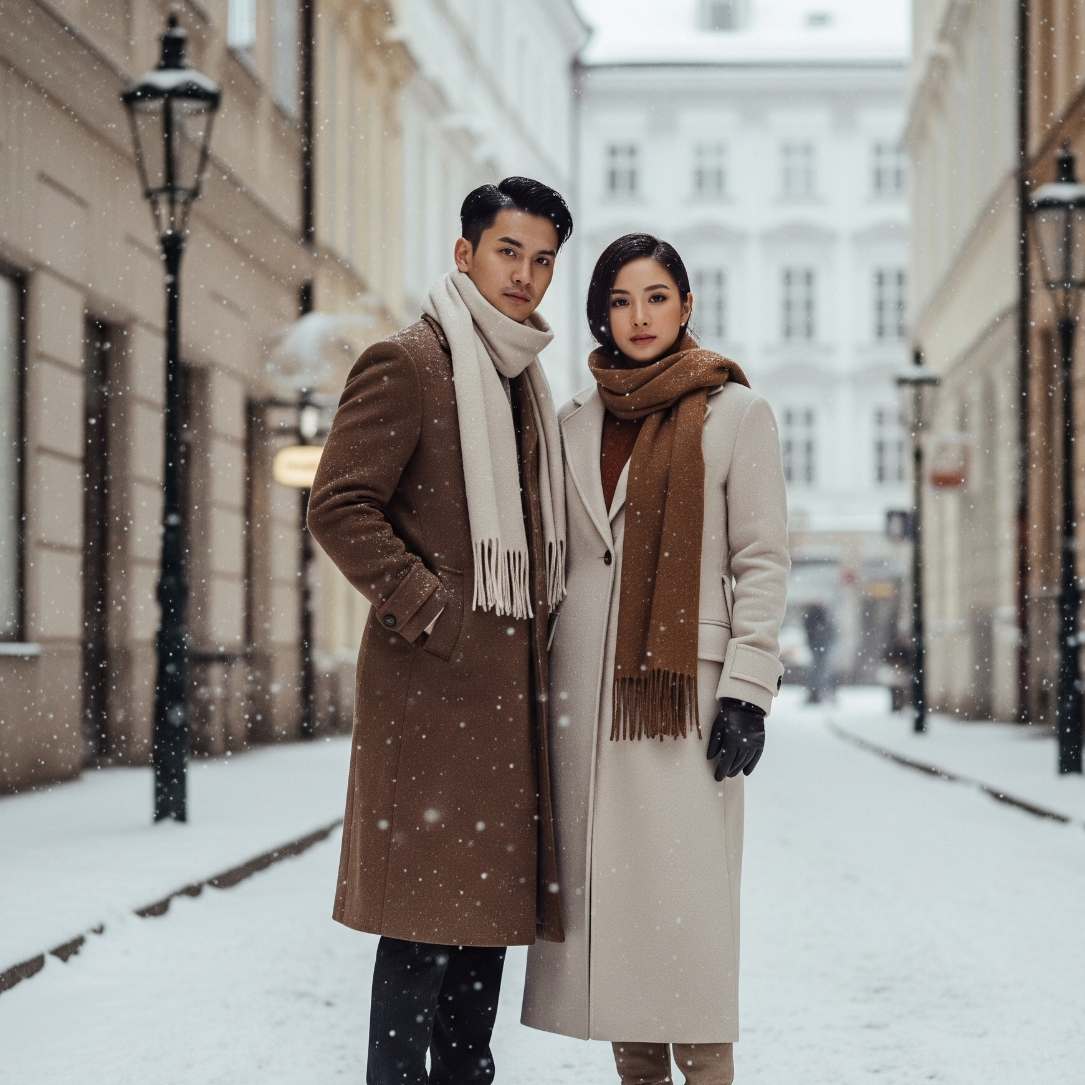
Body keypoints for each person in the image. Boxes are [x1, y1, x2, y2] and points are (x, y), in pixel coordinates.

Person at [307, 177, 573, 1085]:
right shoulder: (410, 362)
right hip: (432, 702)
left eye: (542, 260)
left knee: (481, 944)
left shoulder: (522, 384)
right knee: (420, 935)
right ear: (465, 255)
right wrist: (432, 610)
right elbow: (339, 506)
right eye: (509, 252)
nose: (525, 275)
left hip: (505, 713)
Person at [521, 234, 790, 1085]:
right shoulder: (571, 422)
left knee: (687, 932)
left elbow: (761, 559)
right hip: (586, 709)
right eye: (621, 300)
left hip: (682, 706)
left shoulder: (735, 414)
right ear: (599, 312)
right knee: (618, 940)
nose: (639, 317)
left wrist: (747, 690)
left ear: (684, 307)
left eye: (657, 297)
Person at [803, 601, 836, 703]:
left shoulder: (812, 616)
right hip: (820, 647)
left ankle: (816, 693)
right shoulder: (822, 617)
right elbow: (830, 631)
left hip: (818, 647)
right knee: (821, 670)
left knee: (818, 670)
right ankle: (821, 692)